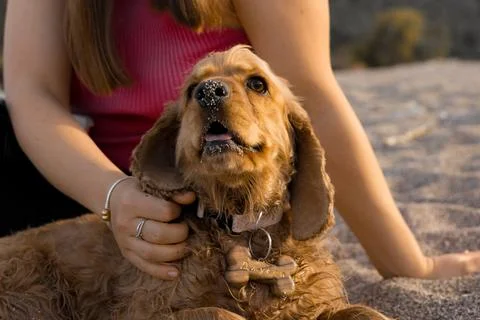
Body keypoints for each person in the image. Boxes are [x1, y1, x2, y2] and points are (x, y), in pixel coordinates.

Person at [3, 0, 479, 281]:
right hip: (90, 186)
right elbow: (32, 94)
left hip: (224, 198)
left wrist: (409, 265)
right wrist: (113, 195)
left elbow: (310, 96)